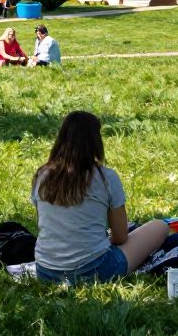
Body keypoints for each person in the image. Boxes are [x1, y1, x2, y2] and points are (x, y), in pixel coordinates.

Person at [31, 111, 170, 285]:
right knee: (159, 226)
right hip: (94, 270)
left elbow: (45, 226)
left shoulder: (42, 176)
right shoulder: (106, 177)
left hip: (46, 272)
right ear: (96, 141)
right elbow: (120, 237)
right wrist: (105, 240)